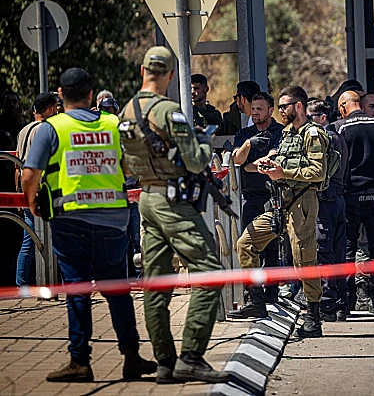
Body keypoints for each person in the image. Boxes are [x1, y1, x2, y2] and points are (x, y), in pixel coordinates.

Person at [21, 68, 156, 383]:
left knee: (78, 289)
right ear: (92, 94)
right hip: (114, 220)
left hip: (71, 221)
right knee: (118, 290)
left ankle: (80, 362)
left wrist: (32, 204)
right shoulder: (113, 124)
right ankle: (132, 357)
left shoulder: (50, 128)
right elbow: (131, 168)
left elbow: (29, 175)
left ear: (60, 94)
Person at [118, 48, 229, 383]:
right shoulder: (169, 111)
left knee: (155, 282)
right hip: (173, 203)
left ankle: (164, 361)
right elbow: (196, 161)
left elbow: (124, 162)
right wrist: (205, 145)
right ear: (169, 75)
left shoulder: (126, 111)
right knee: (210, 271)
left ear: (142, 71)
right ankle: (192, 356)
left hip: (147, 199)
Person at [238, 86, 330, 337]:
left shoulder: (313, 134)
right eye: (278, 107)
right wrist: (269, 163)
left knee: (304, 259)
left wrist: (283, 173)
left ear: (298, 106)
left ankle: (313, 316)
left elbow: (317, 172)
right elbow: (279, 155)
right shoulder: (287, 132)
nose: (280, 111)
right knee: (246, 242)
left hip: (303, 202)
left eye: (284, 106)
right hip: (280, 202)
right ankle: (255, 300)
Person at [332, 91, 374, 313]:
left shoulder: (338, 127)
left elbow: (334, 163)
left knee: (347, 250)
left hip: (349, 196)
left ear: (342, 107)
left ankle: (345, 303)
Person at [227, 92, 285, 319]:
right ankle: (255, 295)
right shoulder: (245, 134)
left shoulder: (279, 132)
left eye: (260, 109)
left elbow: (271, 161)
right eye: (253, 108)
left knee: (272, 247)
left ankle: (270, 292)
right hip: (250, 197)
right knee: (249, 243)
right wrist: (249, 145)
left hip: (273, 196)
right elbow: (236, 161)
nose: (255, 112)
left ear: (270, 111)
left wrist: (253, 165)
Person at [306, 99, 349, 322]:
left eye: (311, 116)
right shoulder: (338, 137)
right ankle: (341, 303)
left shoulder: (325, 138)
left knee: (325, 253)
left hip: (326, 201)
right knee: (338, 253)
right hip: (338, 200)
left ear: (323, 118)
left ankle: (328, 305)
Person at [14, 92, 58, 286]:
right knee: (54, 239)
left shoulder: (23, 131)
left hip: (24, 190)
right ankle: (57, 283)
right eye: (56, 108)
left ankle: (21, 282)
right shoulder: (47, 129)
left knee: (28, 241)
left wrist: (17, 194)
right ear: (49, 109)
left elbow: (17, 166)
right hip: (43, 191)